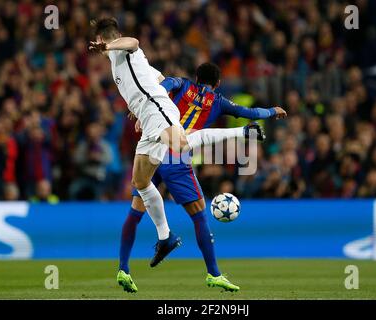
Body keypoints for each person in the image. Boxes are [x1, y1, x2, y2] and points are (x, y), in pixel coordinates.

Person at [89, 18, 265, 289]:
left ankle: (242, 134)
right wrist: (138, 110)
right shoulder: (122, 64)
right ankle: (166, 237)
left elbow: (133, 42)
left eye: (102, 42)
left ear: (104, 39)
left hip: (161, 113)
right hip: (149, 121)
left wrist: (109, 46)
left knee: (182, 147)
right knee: (140, 183)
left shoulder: (125, 49)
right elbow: (157, 78)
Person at [118, 62, 287, 293]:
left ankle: (123, 269)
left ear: (196, 77)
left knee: (136, 210)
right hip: (176, 156)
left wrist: (144, 107)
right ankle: (214, 273)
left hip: (152, 149)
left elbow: (165, 83)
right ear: (218, 83)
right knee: (199, 216)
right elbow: (250, 114)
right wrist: (272, 111)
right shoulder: (219, 102)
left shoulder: (182, 85)